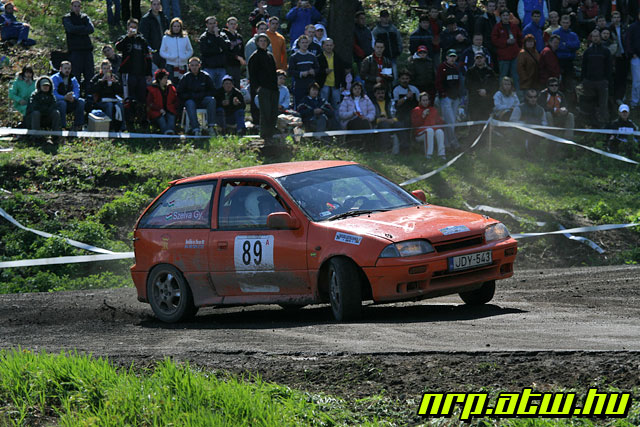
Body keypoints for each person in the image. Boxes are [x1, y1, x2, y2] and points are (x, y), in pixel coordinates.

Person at [248, 33, 279, 140]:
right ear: (257, 43)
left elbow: (274, 73)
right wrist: (257, 88)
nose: (263, 43)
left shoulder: (270, 56)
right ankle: (265, 136)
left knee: (273, 112)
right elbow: (252, 75)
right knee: (265, 113)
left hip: (273, 89)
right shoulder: (254, 56)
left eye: (265, 41)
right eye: (260, 41)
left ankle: (271, 135)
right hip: (263, 89)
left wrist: (276, 87)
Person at [116, 18, 152, 105]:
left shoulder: (142, 40)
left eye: (135, 27)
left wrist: (149, 73)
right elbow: (118, 47)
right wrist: (128, 37)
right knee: (129, 97)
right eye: (131, 27)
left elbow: (148, 57)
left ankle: (141, 112)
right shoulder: (124, 38)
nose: (133, 29)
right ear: (127, 28)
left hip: (141, 73)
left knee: (142, 97)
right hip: (128, 72)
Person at [178, 57, 217, 136]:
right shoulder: (185, 77)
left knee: (211, 100)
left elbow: (212, 90)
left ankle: (211, 127)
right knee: (189, 103)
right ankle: (196, 129)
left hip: (203, 100)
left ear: (199, 65)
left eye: (196, 65)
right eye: (192, 65)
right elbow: (180, 92)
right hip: (191, 101)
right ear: (189, 66)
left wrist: (203, 95)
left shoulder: (205, 76)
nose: (194, 67)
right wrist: (190, 96)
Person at [62, 0, 95, 94]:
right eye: (75, 6)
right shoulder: (67, 18)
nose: (77, 8)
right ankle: (76, 95)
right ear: (71, 7)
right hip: (75, 51)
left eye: (78, 6)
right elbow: (70, 29)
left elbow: (91, 29)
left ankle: (89, 96)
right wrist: (83, 28)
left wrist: (77, 30)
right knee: (76, 76)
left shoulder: (85, 17)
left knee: (90, 75)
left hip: (87, 50)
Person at [581, 29, 612, 127]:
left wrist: (607, 80)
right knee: (590, 104)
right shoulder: (587, 51)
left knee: (603, 104)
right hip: (589, 82)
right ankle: (590, 123)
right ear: (591, 38)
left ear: (600, 37)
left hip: (602, 81)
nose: (595, 38)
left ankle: (604, 124)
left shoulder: (606, 51)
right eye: (593, 36)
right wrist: (584, 79)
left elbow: (609, 67)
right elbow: (584, 66)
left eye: (597, 36)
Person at [435, 49, 462, 150]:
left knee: (452, 121)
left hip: (455, 98)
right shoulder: (442, 67)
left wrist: (459, 95)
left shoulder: (456, 67)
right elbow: (438, 82)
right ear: (446, 57)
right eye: (450, 56)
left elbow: (458, 82)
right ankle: (454, 143)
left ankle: (447, 144)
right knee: (450, 121)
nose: (452, 58)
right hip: (446, 98)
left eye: (454, 56)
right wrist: (443, 93)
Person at [492, 8, 522, 88]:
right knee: (503, 76)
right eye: (503, 15)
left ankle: (517, 94)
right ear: (500, 17)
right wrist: (506, 42)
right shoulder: (497, 27)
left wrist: (519, 48)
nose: (505, 17)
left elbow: (520, 38)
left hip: (514, 55)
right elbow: (494, 40)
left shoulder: (514, 26)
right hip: (503, 56)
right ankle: (502, 93)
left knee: (515, 76)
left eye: (507, 15)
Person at [89, 59, 124, 129]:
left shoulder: (114, 77)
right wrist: (101, 81)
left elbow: (120, 91)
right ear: (101, 69)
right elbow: (91, 89)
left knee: (120, 104)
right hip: (101, 100)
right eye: (104, 68)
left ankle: (122, 126)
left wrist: (115, 83)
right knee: (109, 105)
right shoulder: (97, 77)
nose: (106, 70)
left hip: (112, 99)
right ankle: (109, 126)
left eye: (108, 68)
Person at [51, 60, 86, 130]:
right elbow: (53, 93)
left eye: (69, 68)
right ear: (61, 69)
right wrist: (64, 97)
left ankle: (78, 125)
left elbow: (77, 89)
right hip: (57, 102)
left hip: (70, 101)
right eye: (65, 68)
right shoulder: (54, 78)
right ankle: (62, 126)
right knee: (62, 103)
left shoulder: (73, 78)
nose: (67, 70)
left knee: (81, 101)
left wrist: (74, 97)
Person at [553, 14, 580, 101]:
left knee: (570, 83)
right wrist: (568, 47)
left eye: (567, 23)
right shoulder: (556, 33)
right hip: (559, 61)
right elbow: (556, 46)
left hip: (569, 62)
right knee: (559, 82)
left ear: (570, 23)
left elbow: (577, 45)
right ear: (560, 23)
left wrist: (566, 44)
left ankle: (570, 102)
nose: (565, 24)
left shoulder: (573, 34)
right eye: (564, 22)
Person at [316, 38, 348, 113]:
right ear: (323, 46)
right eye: (327, 45)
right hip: (324, 84)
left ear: (333, 46)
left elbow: (342, 72)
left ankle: (336, 120)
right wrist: (324, 71)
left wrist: (344, 84)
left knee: (337, 105)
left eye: (330, 45)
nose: (329, 47)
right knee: (323, 105)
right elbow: (316, 71)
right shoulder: (319, 58)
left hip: (335, 85)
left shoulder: (337, 57)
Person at [411, 92, 446, 160]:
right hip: (420, 134)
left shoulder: (433, 109)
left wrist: (443, 121)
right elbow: (415, 124)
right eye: (423, 100)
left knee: (439, 131)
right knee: (429, 131)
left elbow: (439, 121)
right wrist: (423, 116)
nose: (425, 102)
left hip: (432, 130)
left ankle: (442, 155)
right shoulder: (415, 110)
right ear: (420, 101)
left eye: (426, 100)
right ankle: (428, 155)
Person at [197, 16, 228, 90]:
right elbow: (205, 52)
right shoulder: (204, 37)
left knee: (221, 89)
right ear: (207, 25)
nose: (212, 25)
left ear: (216, 23)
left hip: (221, 67)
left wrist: (217, 36)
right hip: (209, 68)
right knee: (209, 88)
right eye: (210, 24)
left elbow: (226, 48)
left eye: (214, 23)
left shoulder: (223, 35)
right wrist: (218, 49)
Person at [288, 34, 319, 107]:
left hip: (310, 84)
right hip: (299, 85)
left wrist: (313, 71)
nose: (305, 44)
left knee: (311, 105)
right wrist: (301, 73)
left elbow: (317, 69)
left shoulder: (312, 56)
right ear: (299, 44)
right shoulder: (294, 57)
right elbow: (290, 71)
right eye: (303, 42)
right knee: (299, 105)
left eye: (306, 42)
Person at [466, 51, 498, 121]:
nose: (479, 60)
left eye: (481, 58)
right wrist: (478, 91)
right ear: (474, 59)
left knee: (486, 123)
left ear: (484, 59)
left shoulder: (490, 71)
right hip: (474, 102)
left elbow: (495, 85)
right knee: (474, 123)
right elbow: (467, 85)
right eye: (477, 58)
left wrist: (486, 91)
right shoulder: (470, 71)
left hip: (487, 102)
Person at [371, 10, 403, 79]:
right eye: (384, 17)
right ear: (380, 18)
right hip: (383, 57)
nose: (386, 18)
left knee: (395, 75)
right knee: (386, 75)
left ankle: (394, 85)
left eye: (387, 17)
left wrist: (399, 50)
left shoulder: (393, 29)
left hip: (393, 55)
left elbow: (399, 40)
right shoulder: (376, 30)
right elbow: (373, 43)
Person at [139, 0, 169, 72]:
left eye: (158, 4)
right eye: (154, 4)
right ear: (151, 6)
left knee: (164, 71)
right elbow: (144, 36)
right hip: (153, 49)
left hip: (164, 48)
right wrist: (150, 48)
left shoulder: (164, 17)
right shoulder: (146, 19)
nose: (156, 6)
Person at [160, 17, 193, 82]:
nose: (176, 28)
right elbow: (162, 52)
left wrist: (185, 57)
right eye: (174, 26)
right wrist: (170, 57)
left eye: (178, 26)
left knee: (183, 83)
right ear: (171, 27)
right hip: (170, 65)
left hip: (183, 65)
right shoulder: (166, 38)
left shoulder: (185, 37)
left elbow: (190, 50)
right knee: (171, 83)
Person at [146, 68, 178, 134]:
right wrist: (159, 109)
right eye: (164, 78)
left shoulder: (171, 88)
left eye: (167, 78)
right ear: (159, 79)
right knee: (161, 120)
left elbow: (175, 100)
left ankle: (171, 133)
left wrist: (173, 108)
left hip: (169, 110)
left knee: (171, 119)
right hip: (156, 111)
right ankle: (165, 134)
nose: (166, 80)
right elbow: (149, 103)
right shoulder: (152, 89)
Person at [609, 11, 628, 104]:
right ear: (611, 19)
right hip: (614, 57)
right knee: (616, 78)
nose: (616, 19)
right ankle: (615, 97)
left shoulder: (624, 28)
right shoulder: (609, 30)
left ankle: (621, 95)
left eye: (618, 17)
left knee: (623, 77)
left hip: (624, 56)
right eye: (614, 17)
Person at [222, 17, 245, 88]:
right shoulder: (224, 36)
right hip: (228, 64)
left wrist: (242, 59)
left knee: (237, 84)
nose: (233, 26)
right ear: (227, 25)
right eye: (231, 24)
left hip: (237, 65)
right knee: (229, 84)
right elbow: (226, 51)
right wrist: (237, 57)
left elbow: (242, 50)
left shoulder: (239, 37)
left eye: (234, 24)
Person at [628, 11, 640, 110]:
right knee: (636, 81)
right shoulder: (633, 27)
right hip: (636, 57)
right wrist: (632, 53)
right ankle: (635, 101)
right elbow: (628, 40)